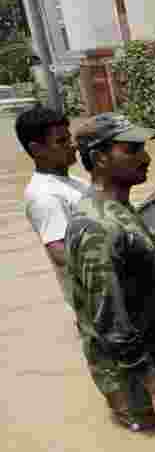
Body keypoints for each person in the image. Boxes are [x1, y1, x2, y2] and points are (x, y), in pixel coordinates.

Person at [64, 113, 155, 434]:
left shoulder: (117, 208)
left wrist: (151, 242)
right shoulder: (95, 226)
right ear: (100, 157)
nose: (145, 157)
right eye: (131, 150)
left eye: (142, 148)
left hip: (153, 352)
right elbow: (108, 320)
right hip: (134, 378)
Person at [17, 106, 90, 305]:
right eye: (62, 141)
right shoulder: (45, 196)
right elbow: (61, 254)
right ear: (36, 149)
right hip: (95, 305)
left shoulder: (72, 182)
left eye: (69, 137)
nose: (73, 145)